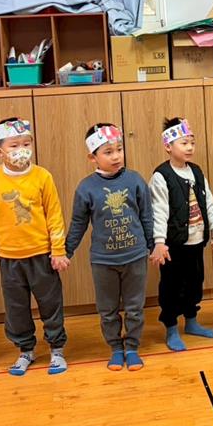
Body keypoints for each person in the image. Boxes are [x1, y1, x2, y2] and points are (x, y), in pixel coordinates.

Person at [0, 118, 68, 376]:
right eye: (14, 145)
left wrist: (58, 250)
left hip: (42, 256)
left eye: (26, 144)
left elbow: (55, 215)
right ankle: (26, 350)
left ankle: (57, 349)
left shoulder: (43, 176)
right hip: (9, 259)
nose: (22, 150)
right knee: (16, 308)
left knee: (51, 304)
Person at [66, 123, 152, 371]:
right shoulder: (86, 188)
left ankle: (132, 347)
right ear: (92, 157)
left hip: (135, 257)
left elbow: (146, 216)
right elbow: (78, 224)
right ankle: (115, 348)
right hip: (103, 261)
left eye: (119, 150)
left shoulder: (135, 180)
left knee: (135, 308)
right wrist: (66, 251)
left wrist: (155, 245)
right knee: (107, 310)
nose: (116, 156)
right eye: (108, 152)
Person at [149, 117, 213, 352]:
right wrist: (159, 242)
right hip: (173, 245)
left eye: (192, 143)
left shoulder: (196, 171)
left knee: (195, 283)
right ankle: (171, 327)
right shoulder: (161, 176)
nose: (190, 147)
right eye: (184, 143)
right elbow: (158, 212)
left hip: (196, 241)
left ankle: (192, 321)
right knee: (172, 287)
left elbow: (209, 203)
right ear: (168, 146)